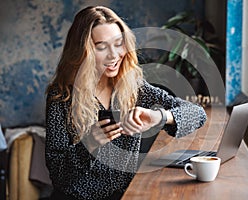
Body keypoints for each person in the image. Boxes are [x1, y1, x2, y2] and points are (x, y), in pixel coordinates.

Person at [45, 5, 207, 200]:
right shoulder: (61, 96)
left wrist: (160, 116)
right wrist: (88, 144)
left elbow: (197, 114)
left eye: (118, 43)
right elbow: (58, 176)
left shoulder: (133, 86)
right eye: (101, 46)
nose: (114, 55)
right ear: (82, 51)